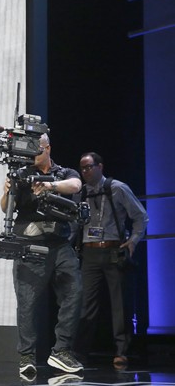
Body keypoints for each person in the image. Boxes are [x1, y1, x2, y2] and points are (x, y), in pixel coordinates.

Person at [0, 133, 83, 378]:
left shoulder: (64, 172)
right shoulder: (21, 174)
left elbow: (76, 186)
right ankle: (26, 356)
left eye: (37, 149)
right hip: (28, 245)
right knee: (27, 303)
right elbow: (6, 207)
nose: (33, 154)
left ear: (48, 148)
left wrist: (49, 185)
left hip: (60, 244)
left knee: (74, 293)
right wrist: (7, 192)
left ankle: (61, 351)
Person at [73, 152, 148, 369]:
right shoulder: (82, 192)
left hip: (114, 249)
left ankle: (121, 351)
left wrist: (133, 240)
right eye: (82, 168)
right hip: (90, 252)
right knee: (86, 304)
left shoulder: (117, 188)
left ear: (100, 166)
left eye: (89, 167)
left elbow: (140, 216)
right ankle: (79, 352)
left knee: (119, 305)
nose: (85, 171)